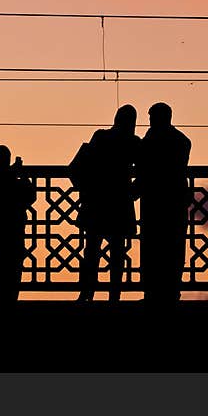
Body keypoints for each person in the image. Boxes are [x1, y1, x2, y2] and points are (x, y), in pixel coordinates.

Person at [73, 105, 140, 302]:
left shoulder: (100, 136)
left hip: (96, 201)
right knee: (118, 252)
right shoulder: (133, 143)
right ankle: (114, 295)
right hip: (120, 203)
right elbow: (145, 170)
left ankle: (87, 293)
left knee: (92, 250)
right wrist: (132, 193)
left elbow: (85, 162)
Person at [136, 102, 192, 303]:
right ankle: (171, 291)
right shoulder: (181, 141)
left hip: (155, 202)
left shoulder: (150, 141)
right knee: (174, 247)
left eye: (151, 117)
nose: (149, 121)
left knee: (154, 248)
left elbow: (144, 168)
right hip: (175, 200)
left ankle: (153, 292)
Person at [0, 145, 36, 304]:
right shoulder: (4, 180)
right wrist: (20, 174)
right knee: (12, 276)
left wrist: (15, 174)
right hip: (13, 234)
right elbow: (31, 196)